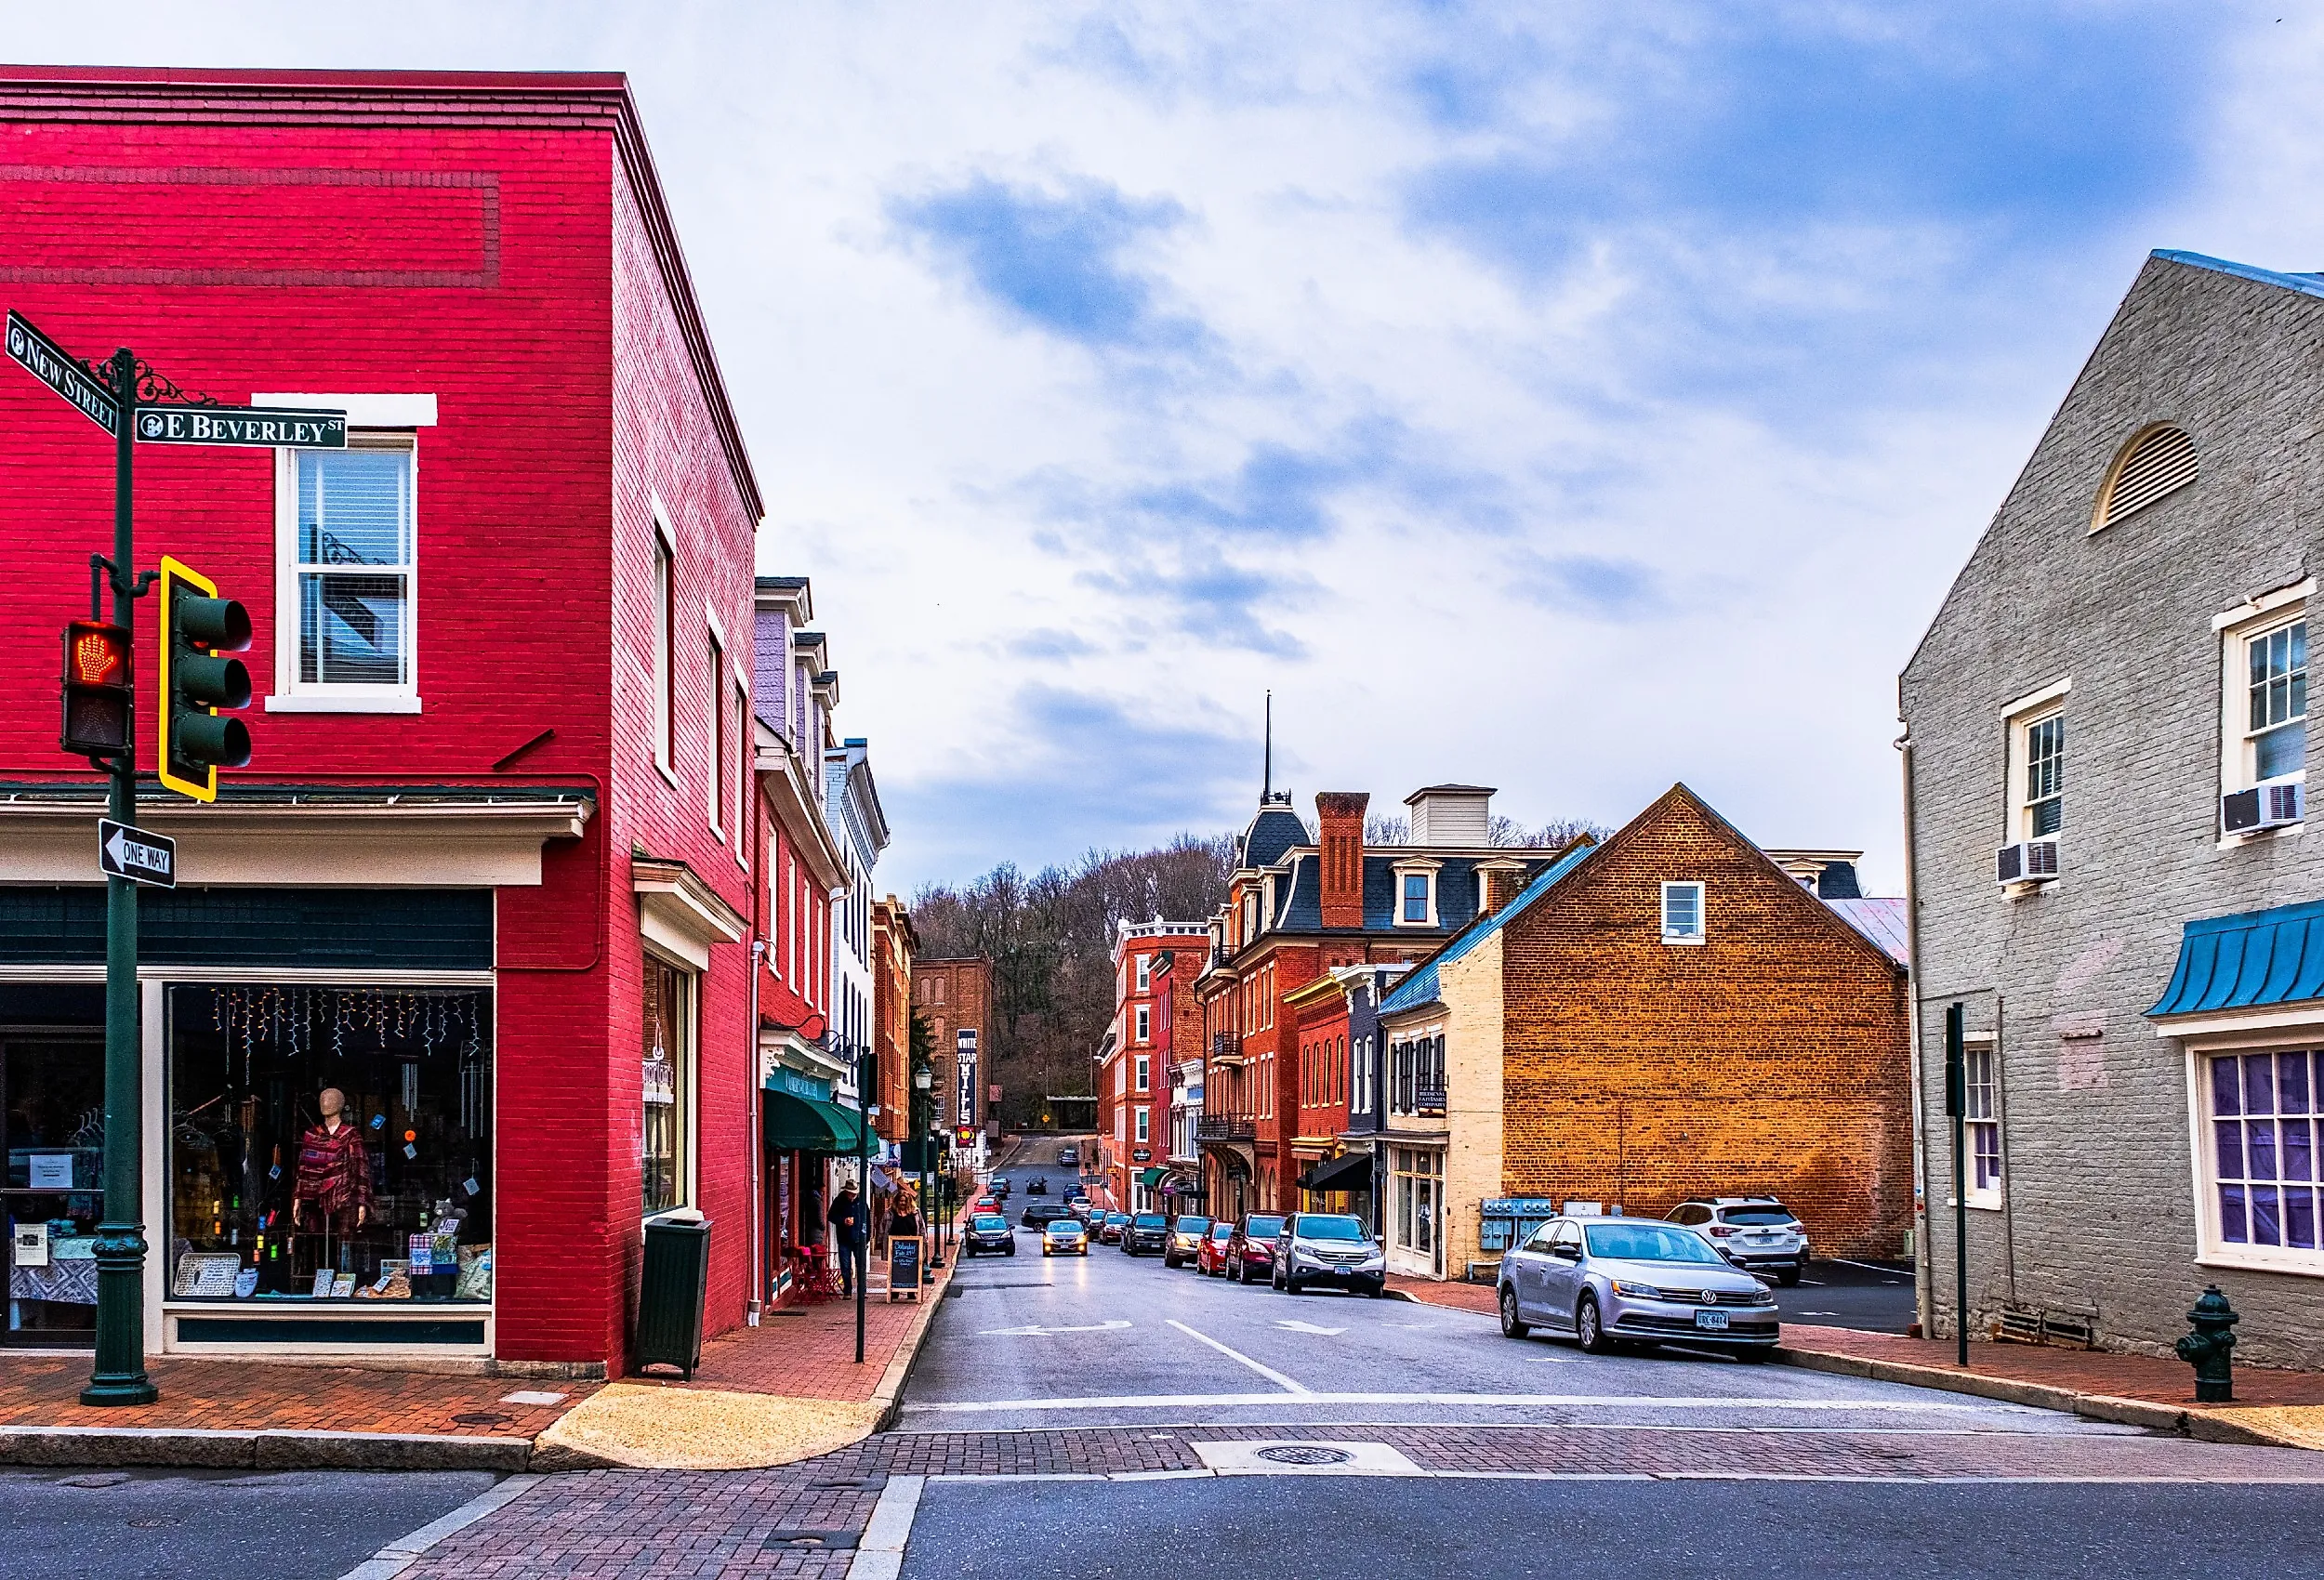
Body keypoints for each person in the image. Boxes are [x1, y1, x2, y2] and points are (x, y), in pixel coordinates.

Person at [827, 1178, 869, 1297]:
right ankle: (848, 1290)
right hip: (844, 1238)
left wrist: (867, 1238)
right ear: (846, 1192)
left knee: (861, 1265)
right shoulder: (839, 1201)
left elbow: (867, 1221)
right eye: (850, 1193)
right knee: (845, 1265)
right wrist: (843, 1221)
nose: (852, 1195)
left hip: (859, 1238)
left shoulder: (862, 1202)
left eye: (854, 1193)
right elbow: (831, 1216)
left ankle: (862, 1290)